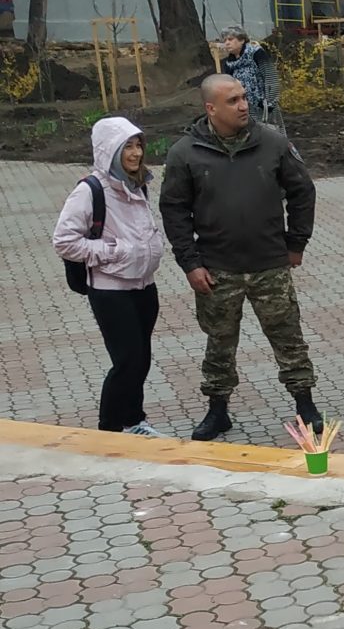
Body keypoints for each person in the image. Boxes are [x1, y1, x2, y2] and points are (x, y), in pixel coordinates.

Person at [161, 74, 323, 442]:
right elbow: (174, 211)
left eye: (244, 97)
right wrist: (190, 263)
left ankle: (306, 405)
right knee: (219, 343)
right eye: (232, 100)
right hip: (217, 270)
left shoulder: (273, 142)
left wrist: (296, 243)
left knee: (289, 339)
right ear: (210, 108)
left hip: (270, 265)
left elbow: (303, 192)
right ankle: (217, 412)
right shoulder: (185, 153)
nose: (243, 105)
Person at [53, 116, 167, 437]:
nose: (135, 153)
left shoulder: (138, 183)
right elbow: (64, 240)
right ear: (108, 151)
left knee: (141, 359)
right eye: (126, 147)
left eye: (137, 145)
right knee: (127, 361)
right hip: (110, 291)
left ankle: (134, 421)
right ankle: (108, 430)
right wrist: (111, 252)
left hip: (144, 287)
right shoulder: (90, 190)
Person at [219, 26, 283, 131]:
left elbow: (270, 76)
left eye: (230, 39)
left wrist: (270, 102)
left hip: (264, 106)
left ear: (242, 40)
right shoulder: (228, 63)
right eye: (225, 40)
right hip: (242, 108)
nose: (227, 43)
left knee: (271, 136)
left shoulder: (256, 53)